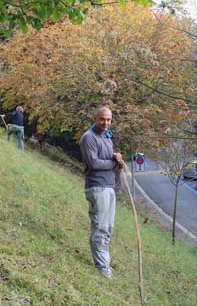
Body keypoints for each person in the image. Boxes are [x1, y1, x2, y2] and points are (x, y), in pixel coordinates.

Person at [79, 106, 125, 280]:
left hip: (109, 186)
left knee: (108, 228)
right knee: (100, 227)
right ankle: (102, 268)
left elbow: (108, 158)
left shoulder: (107, 137)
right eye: (102, 119)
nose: (106, 123)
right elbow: (94, 163)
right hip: (97, 187)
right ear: (95, 118)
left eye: (108, 120)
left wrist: (118, 161)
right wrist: (113, 163)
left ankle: (104, 264)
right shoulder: (88, 137)